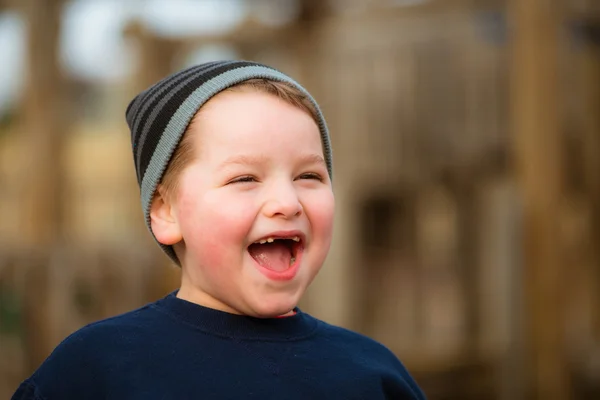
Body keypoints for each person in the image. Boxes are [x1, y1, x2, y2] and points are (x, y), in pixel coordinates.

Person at [12, 60, 426, 399]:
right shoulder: (95, 369)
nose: (287, 202)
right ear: (166, 212)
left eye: (309, 176)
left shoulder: (373, 374)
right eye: (245, 179)